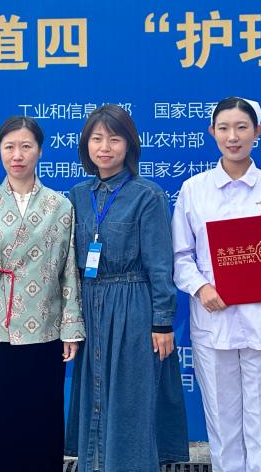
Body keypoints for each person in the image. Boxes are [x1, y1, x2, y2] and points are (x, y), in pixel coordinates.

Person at [172, 96, 261, 472]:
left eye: (241, 127)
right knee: (223, 424)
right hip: (214, 321)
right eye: (224, 128)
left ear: (257, 132)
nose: (233, 136)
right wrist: (201, 288)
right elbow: (180, 256)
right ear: (212, 132)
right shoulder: (194, 190)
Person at [0, 115, 85, 471]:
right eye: (9, 147)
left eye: (26, 146)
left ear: (39, 151)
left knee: (42, 415)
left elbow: (68, 271)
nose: (17, 155)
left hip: (44, 324)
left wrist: (70, 327)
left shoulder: (60, 206)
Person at [65, 104, 188, 472]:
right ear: (86, 145)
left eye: (114, 139)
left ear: (129, 145)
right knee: (94, 396)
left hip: (133, 306)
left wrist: (162, 322)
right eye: (97, 139)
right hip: (90, 305)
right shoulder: (77, 195)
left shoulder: (147, 195)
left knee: (131, 399)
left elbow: (160, 264)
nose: (105, 147)